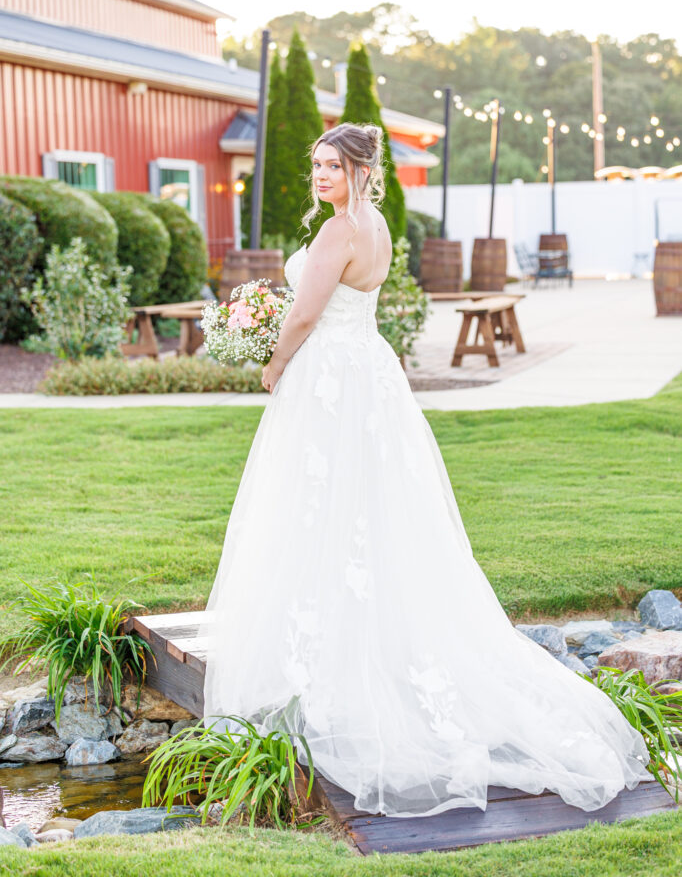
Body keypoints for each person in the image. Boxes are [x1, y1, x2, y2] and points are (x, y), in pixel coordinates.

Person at [200, 121, 650, 819]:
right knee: (368, 510)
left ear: (359, 171)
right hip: (368, 376)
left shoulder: (337, 232)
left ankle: (328, 660)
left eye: (332, 167)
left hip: (331, 381)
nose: (320, 177)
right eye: (315, 165)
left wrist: (272, 358)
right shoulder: (375, 226)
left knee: (316, 507)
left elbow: (307, 314)